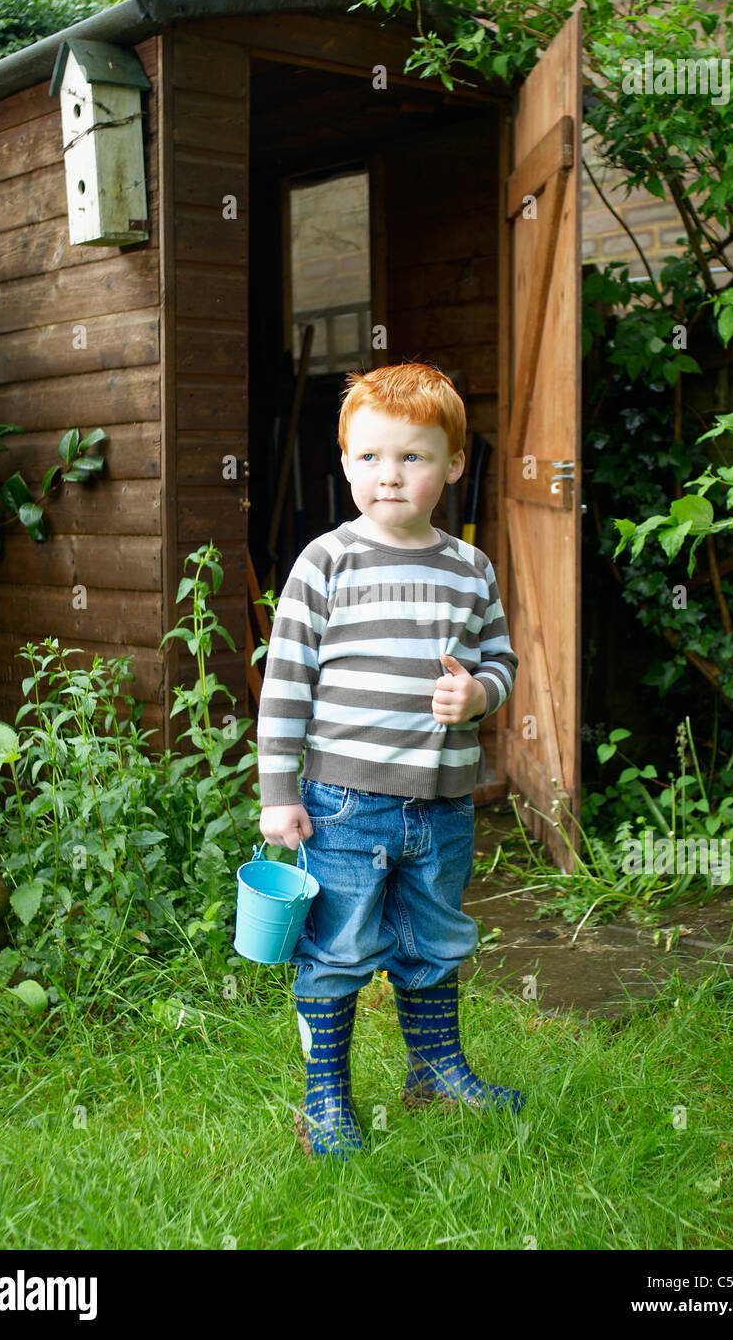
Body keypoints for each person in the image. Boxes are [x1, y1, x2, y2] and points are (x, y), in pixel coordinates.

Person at [256, 361, 523, 1160]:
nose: (391, 476)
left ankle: (437, 1072)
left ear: (453, 464)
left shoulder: (469, 569)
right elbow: (285, 682)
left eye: (413, 457)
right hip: (343, 802)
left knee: (435, 939)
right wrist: (279, 792)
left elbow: (501, 663)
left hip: (441, 805)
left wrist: (478, 695)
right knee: (337, 950)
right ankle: (325, 1099)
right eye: (370, 457)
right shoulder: (325, 562)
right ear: (344, 462)